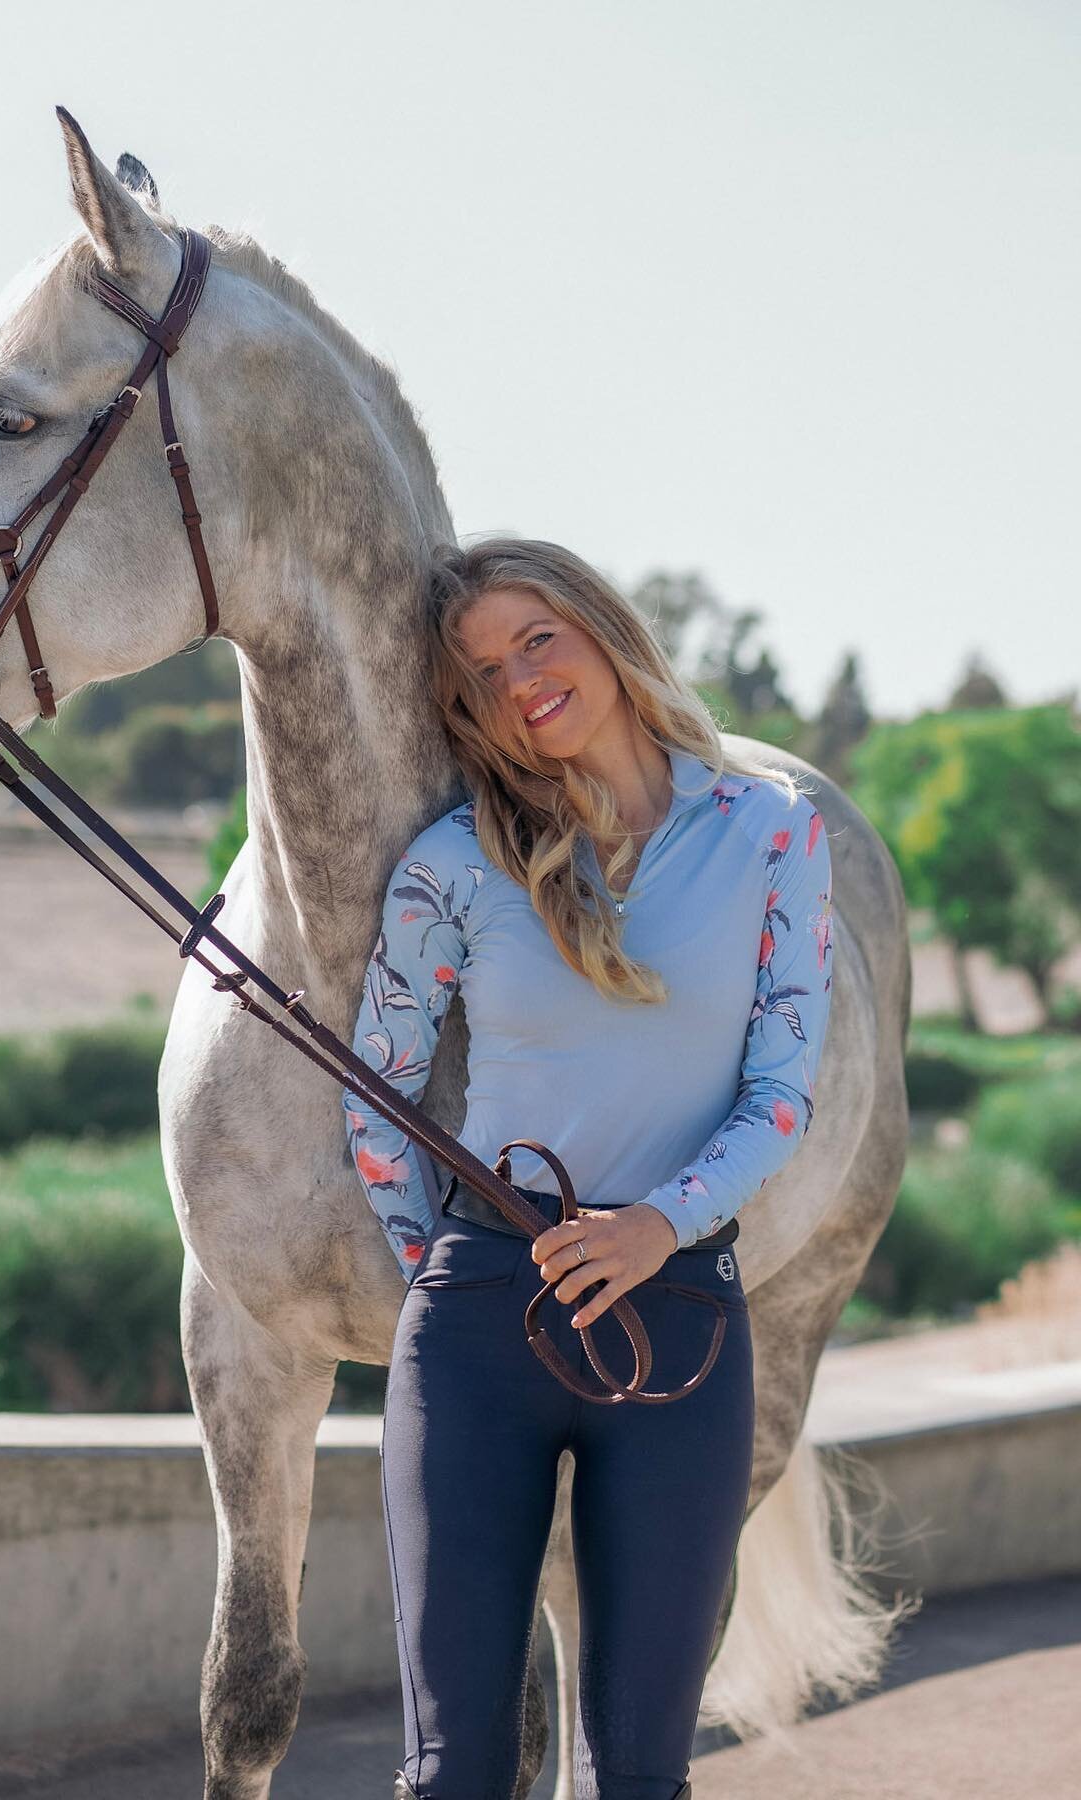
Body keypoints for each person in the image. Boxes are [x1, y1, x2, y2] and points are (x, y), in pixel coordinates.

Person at [341, 538, 834, 1800]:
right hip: (479, 1326)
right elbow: (379, 1089)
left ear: (600, 626)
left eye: (535, 641)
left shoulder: (771, 832)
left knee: (641, 1777)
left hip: (677, 1330)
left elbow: (779, 1096)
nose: (519, 684)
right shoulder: (455, 861)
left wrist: (656, 1230)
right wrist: (445, 1284)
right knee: (453, 1774)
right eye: (482, 675)